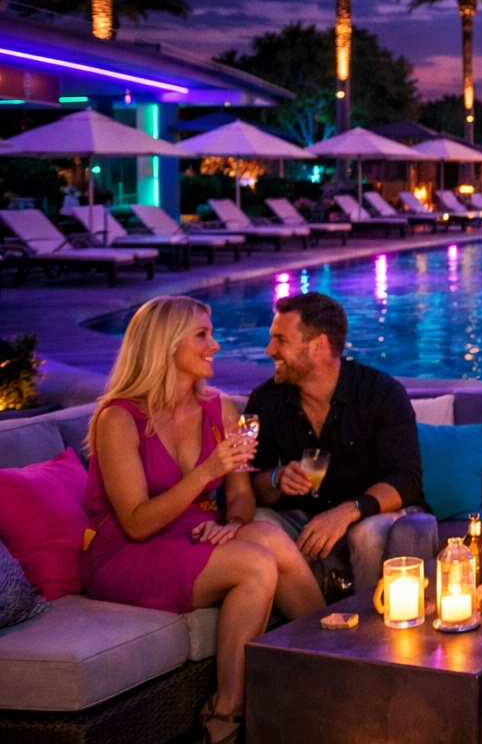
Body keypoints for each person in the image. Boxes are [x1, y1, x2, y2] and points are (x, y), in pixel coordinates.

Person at [81, 296, 324, 744]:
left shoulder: (221, 409)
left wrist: (233, 524)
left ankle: (336, 656)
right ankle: (226, 711)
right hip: (126, 552)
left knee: (266, 535)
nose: (215, 344)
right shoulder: (118, 418)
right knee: (255, 564)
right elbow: (135, 523)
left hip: (191, 533)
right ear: (165, 344)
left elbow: (240, 496)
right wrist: (208, 469)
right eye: (202, 335)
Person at [247, 292, 424, 600]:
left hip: (370, 514)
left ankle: (370, 625)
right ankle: (311, 619)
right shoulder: (267, 400)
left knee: (367, 535)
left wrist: (349, 511)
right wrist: (276, 478)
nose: (269, 350)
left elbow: (405, 479)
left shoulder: (380, 393)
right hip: (303, 516)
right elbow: (252, 484)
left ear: (318, 346)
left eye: (280, 340)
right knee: (256, 524)